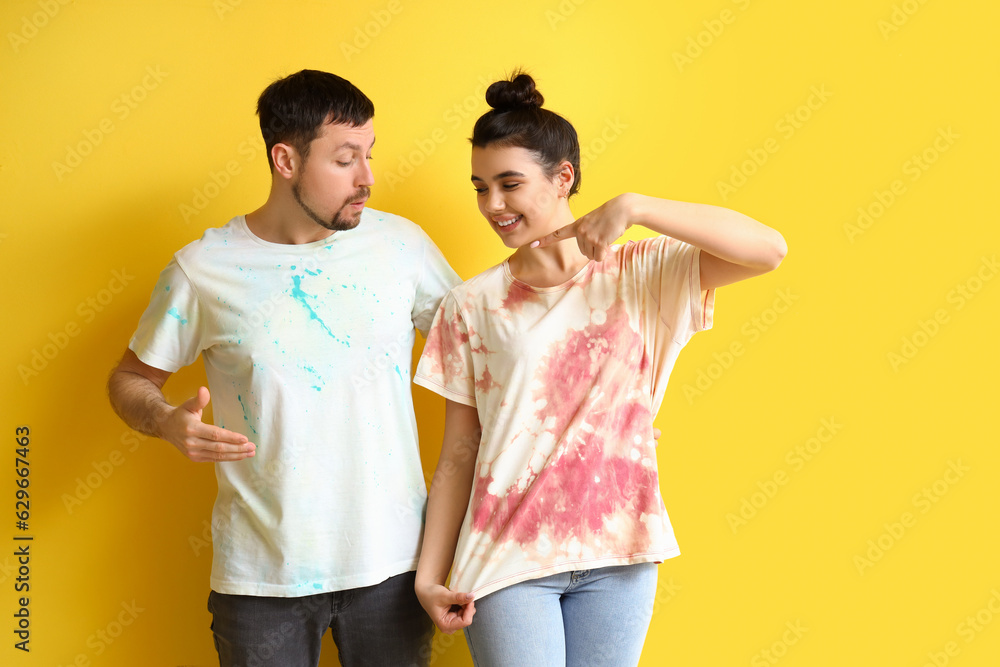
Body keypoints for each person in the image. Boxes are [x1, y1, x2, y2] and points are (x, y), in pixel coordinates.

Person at [412, 72, 787, 666]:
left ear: (564, 178)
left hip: (621, 549)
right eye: (481, 188)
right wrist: (428, 576)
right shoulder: (471, 304)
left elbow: (768, 249)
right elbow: (460, 449)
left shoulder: (640, 273)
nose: (493, 205)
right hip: (507, 555)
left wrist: (636, 206)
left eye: (510, 184)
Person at [106, 69, 460, 667]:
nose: (368, 178)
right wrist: (166, 420)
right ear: (285, 159)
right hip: (260, 578)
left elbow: (492, 352)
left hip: (394, 566)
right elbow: (129, 380)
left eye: (369, 155)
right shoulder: (203, 268)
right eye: (346, 159)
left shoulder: (403, 248)